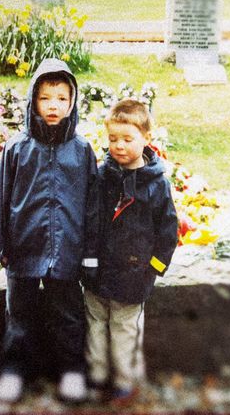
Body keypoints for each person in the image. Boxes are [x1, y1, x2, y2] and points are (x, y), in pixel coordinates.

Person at [0, 58, 99, 404]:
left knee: (68, 313)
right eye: (46, 98)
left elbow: (92, 206)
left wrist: (90, 254)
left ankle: (72, 370)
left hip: (68, 250)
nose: (54, 105)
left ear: (72, 102)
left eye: (61, 97)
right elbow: (0, 199)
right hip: (24, 248)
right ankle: (14, 370)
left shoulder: (82, 151)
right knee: (20, 313)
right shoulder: (17, 149)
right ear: (34, 101)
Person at [83, 98, 178, 405]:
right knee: (95, 326)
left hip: (132, 276)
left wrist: (151, 269)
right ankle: (96, 376)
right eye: (113, 139)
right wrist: (87, 259)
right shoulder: (102, 177)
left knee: (124, 331)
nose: (119, 146)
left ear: (146, 139)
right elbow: (90, 220)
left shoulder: (156, 185)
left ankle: (124, 381)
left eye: (127, 139)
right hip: (97, 272)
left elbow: (168, 232)